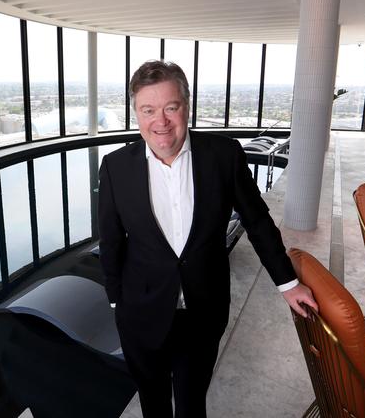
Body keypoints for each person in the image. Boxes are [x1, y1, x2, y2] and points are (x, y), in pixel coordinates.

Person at [98, 60, 318, 418]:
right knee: (153, 403)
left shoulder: (223, 155)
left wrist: (288, 283)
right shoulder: (115, 167)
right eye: (148, 110)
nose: (161, 121)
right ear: (136, 113)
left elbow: (258, 222)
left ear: (187, 106)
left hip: (202, 311)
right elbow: (110, 242)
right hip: (140, 311)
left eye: (171, 107)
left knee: (191, 405)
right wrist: (116, 302)